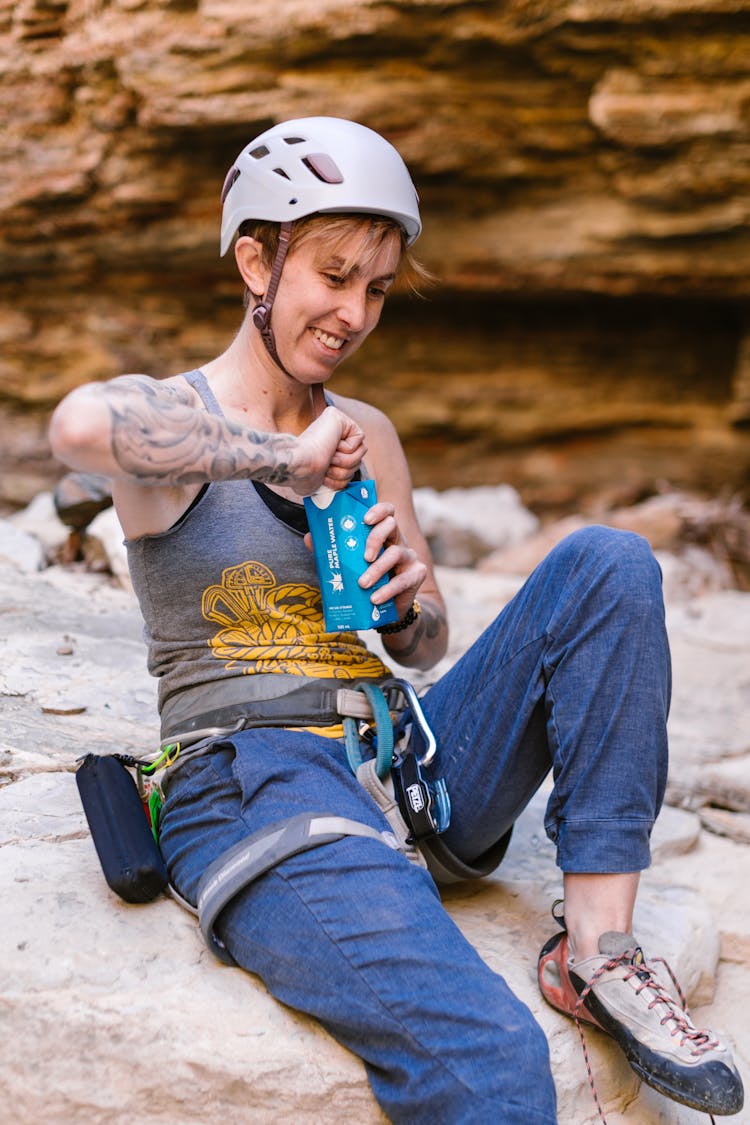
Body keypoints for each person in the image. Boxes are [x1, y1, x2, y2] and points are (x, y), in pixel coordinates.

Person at [49, 116, 743, 1124]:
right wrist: (276, 460)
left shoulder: (367, 431)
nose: (355, 312)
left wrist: (408, 602)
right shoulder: (180, 422)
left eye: (375, 287)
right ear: (255, 259)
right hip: (256, 781)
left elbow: (428, 641)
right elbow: (75, 426)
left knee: (608, 563)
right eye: (333, 275)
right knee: (493, 1056)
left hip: (403, 757)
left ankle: (599, 948)